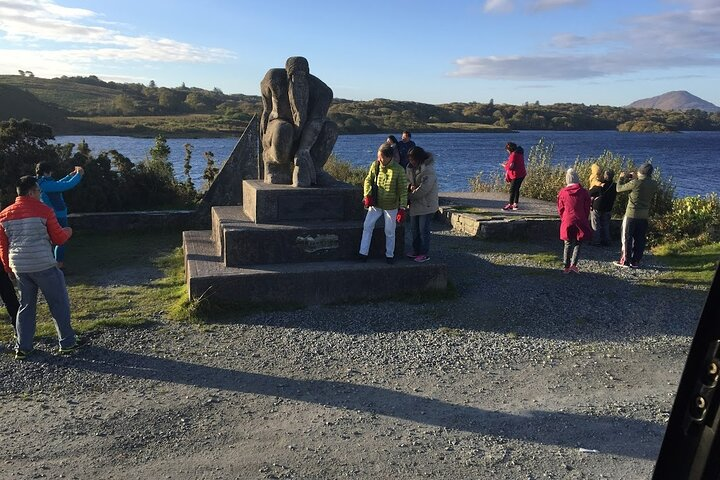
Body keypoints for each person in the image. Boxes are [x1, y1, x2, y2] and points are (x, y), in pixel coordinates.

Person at [0, 176, 79, 360]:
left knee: (26, 306)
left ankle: (24, 346)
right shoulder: (44, 210)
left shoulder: (4, 215)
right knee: (58, 302)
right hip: (43, 263)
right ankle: (67, 342)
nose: (41, 194)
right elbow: (58, 238)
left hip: (19, 266)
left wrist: (7, 268)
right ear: (31, 192)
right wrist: (68, 231)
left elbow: (3, 245)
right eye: (39, 191)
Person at [260, 56, 338, 187]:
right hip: (277, 130)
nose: (298, 81)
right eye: (293, 77)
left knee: (330, 129)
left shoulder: (323, 92)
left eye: (302, 78)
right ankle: (273, 161)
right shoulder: (273, 79)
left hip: (307, 135)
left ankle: (314, 168)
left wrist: (303, 151)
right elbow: (267, 111)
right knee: (283, 129)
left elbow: (316, 122)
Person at [359, 143, 408, 264]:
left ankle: (389, 255)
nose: (379, 159)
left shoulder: (399, 170)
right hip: (375, 203)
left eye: (381, 157)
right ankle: (363, 253)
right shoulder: (375, 165)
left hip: (391, 205)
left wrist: (402, 208)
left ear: (388, 157)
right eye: (378, 156)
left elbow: (403, 190)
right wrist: (367, 195)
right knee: (367, 226)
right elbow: (368, 180)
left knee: (390, 231)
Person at [36, 162, 84, 269]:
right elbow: (65, 186)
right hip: (57, 215)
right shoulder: (45, 184)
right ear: (46, 172)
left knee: (56, 240)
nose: (52, 173)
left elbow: (58, 184)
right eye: (51, 172)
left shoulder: (42, 182)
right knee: (61, 239)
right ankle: (58, 265)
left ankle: (56, 264)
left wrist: (70, 176)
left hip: (55, 214)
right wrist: (79, 174)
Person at [615, 162, 658, 268]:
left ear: (640, 172)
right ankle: (636, 261)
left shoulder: (635, 183)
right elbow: (642, 186)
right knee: (640, 239)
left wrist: (621, 178)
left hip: (631, 214)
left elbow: (619, 189)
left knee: (627, 238)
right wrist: (635, 179)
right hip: (644, 215)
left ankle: (625, 261)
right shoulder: (653, 184)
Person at [405, 146, 439, 263]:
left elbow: (424, 189)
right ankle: (416, 250)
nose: (411, 162)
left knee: (423, 230)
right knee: (414, 229)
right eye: (410, 159)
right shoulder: (409, 168)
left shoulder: (428, 170)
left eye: (413, 159)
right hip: (415, 204)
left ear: (419, 159)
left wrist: (408, 196)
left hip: (426, 204)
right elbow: (406, 181)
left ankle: (424, 253)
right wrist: (409, 187)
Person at [557, 168, 592, 273]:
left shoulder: (563, 192)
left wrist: (563, 218)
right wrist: (585, 217)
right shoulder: (584, 192)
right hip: (580, 218)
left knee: (567, 243)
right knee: (578, 242)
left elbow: (560, 208)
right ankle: (574, 265)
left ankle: (566, 266)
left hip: (567, 219)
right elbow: (587, 207)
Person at [588, 169, 617, 246]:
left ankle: (596, 241)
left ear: (604, 176)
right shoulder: (615, 186)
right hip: (608, 207)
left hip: (597, 206)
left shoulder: (600, 185)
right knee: (606, 225)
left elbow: (589, 193)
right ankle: (607, 241)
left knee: (595, 224)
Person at [502, 142, 527, 211]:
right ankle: (515, 204)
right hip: (522, 173)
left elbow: (511, 166)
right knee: (517, 189)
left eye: (507, 150)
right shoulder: (520, 153)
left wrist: (505, 166)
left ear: (510, 149)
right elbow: (515, 163)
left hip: (516, 174)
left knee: (512, 190)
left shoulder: (513, 155)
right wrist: (508, 163)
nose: (507, 151)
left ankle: (510, 204)